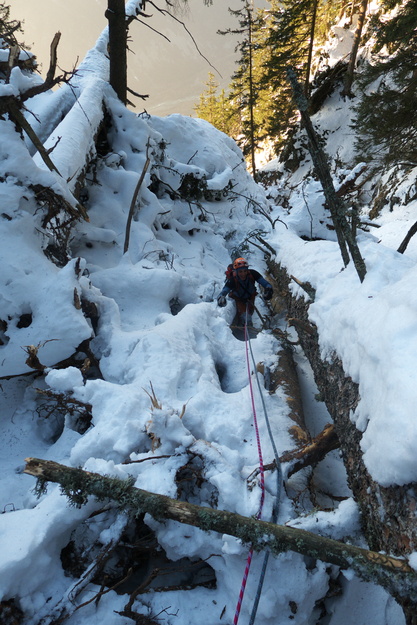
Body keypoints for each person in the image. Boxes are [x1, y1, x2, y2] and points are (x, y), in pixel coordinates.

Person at [217, 257, 273, 327]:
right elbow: (225, 290)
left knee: (250, 312)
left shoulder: (253, 274)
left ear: (247, 270)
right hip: (239, 298)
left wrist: (268, 289)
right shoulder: (233, 280)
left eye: (245, 271)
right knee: (244, 317)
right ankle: (244, 327)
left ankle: (247, 327)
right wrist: (221, 297)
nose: (243, 274)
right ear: (236, 271)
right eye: (240, 272)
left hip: (251, 296)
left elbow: (265, 283)